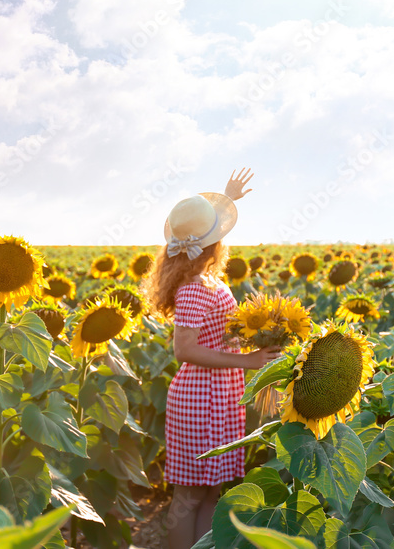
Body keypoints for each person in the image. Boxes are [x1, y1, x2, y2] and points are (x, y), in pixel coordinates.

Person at [141, 168, 282, 549]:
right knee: (188, 497)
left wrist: (227, 197)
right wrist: (249, 361)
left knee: (209, 494)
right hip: (200, 399)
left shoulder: (204, 279)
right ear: (215, 245)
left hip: (216, 398)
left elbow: (213, 334)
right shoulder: (195, 288)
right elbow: (184, 349)